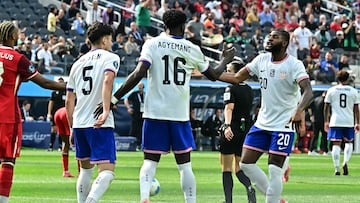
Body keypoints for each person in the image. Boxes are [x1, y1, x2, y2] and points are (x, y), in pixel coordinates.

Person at [93, 9, 235, 203]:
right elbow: (214, 75)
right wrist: (225, 59)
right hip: (179, 115)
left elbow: (138, 73)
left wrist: (113, 99)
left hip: (154, 113)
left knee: (149, 162)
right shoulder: (191, 48)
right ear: (183, 26)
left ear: (164, 25)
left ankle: (144, 198)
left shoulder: (152, 44)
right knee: (185, 166)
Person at [218, 29, 313, 203]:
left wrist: (300, 110)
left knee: (274, 170)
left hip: (283, 125)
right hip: (262, 123)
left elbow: (308, 91)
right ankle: (275, 198)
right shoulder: (261, 60)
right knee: (245, 164)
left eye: (274, 37)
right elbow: (236, 77)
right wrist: (217, 68)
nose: (269, 39)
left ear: (284, 43)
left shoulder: (294, 64)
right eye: (269, 37)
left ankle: (273, 199)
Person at [0, 21, 66, 203]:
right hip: (7, 117)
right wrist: (67, 86)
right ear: (13, 36)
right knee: (7, 160)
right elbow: (44, 83)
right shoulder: (18, 58)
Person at [65, 22, 120, 203]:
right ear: (104, 40)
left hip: (80, 123)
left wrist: (72, 127)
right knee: (107, 172)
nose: (111, 43)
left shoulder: (77, 63)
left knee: (86, 170)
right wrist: (105, 110)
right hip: (99, 123)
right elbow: (107, 80)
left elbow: (69, 100)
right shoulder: (110, 57)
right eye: (110, 39)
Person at [219, 60, 256, 203]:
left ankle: (228, 200)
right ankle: (249, 187)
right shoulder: (249, 89)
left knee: (226, 168)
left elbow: (229, 108)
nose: (226, 73)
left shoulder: (230, 88)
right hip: (245, 130)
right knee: (239, 167)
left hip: (232, 129)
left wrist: (226, 126)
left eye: (228, 70)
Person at [324, 70, 360, 176]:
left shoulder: (331, 90)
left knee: (336, 143)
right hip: (349, 120)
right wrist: (358, 122)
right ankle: (345, 162)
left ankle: (336, 168)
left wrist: (326, 120)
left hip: (335, 120)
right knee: (349, 142)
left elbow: (326, 107)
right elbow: (356, 108)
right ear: (348, 79)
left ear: (338, 79)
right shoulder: (353, 91)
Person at [54, 107, 74, 178]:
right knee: (79, 144)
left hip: (58, 112)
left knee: (66, 143)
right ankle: (80, 172)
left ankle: (65, 171)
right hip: (68, 113)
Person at [124, 82, 145, 150]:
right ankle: (131, 144)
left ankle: (140, 144)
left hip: (143, 114)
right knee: (134, 128)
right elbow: (126, 99)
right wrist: (128, 108)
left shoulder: (145, 94)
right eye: (139, 86)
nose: (140, 87)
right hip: (135, 114)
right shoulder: (134, 94)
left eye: (141, 86)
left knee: (142, 129)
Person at [47, 77, 66, 152]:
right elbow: (51, 103)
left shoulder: (66, 92)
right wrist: (49, 113)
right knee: (54, 129)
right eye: (59, 82)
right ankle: (51, 146)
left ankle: (60, 146)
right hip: (55, 113)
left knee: (62, 130)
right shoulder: (54, 92)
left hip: (63, 113)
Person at [308, 91, 328, 155]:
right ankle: (324, 150)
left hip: (315, 120)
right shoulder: (325, 101)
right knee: (324, 136)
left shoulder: (316, 99)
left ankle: (311, 150)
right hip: (323, 120)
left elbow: (309, 107)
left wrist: (311, 115)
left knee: (315, 135)